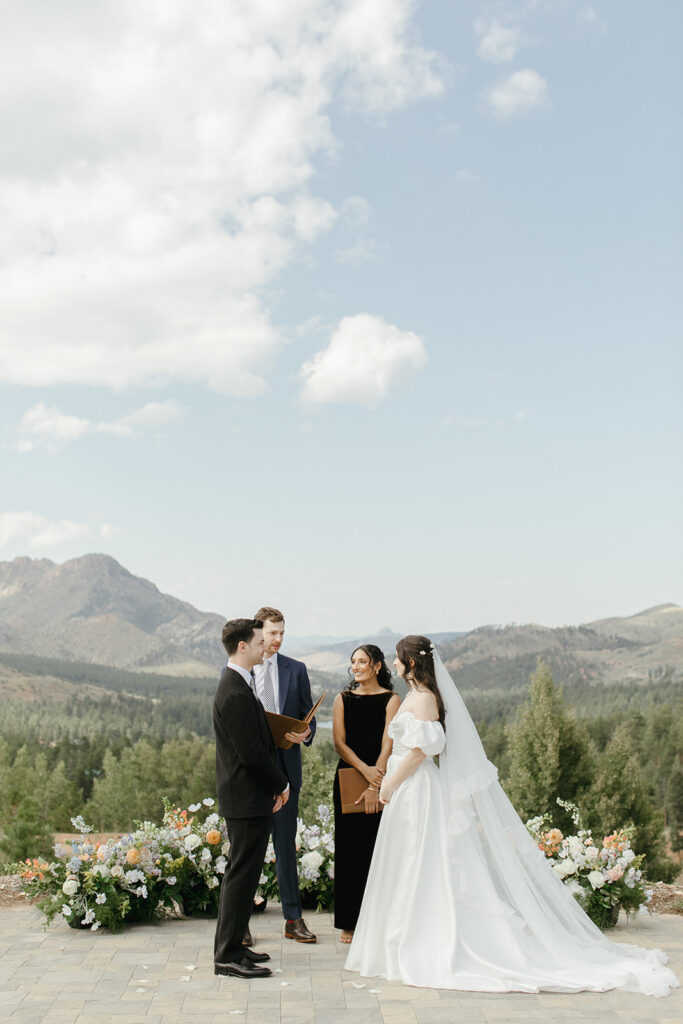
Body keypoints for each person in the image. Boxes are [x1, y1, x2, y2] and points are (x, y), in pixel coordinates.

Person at [346, 635, 679, 997]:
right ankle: (396, 939)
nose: (394, 664)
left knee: (419, 860)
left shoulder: (425, 699)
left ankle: (424, 939)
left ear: (410, 662)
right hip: (404, 788)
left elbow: (420, 753)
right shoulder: (411, 695)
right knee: (403, 861)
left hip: (414, 787)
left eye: (397, 659)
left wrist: (390, 784)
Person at [213, 618, 289, 980]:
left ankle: (237, 948)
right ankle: (227, 954)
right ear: (242, 646)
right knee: (241, 875)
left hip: (249, 796)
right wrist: (281, 784)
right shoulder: (234, 692)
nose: (265, 646)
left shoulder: (241, 684)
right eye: (260, 641)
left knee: (245, 874)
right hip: (245, 797)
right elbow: (251, 754)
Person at [251, 606, 318, 943]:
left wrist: (304, 733)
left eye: (281, 633)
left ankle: (294, 919)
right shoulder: (242, 670)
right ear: (258, 633)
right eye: (271, 633)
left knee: (285, 846)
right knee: (248, 848)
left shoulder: (297, 669)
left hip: (288, 771)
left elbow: (309, 716)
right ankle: (240, 923)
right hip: (252, 772)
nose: (277, 639)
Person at [332, 644, 401, 943]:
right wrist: (365, 771)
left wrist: (376, 784)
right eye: (353, 662)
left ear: (376, 666)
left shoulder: (392, 699)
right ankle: (349, 921)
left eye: (362, 662)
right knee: (349, 850)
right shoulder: (342, 698)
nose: (356, 667)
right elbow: (339, 743)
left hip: (382, 778)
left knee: (380, 849)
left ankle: (380, 919)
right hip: (349, 775)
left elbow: (389, 744)